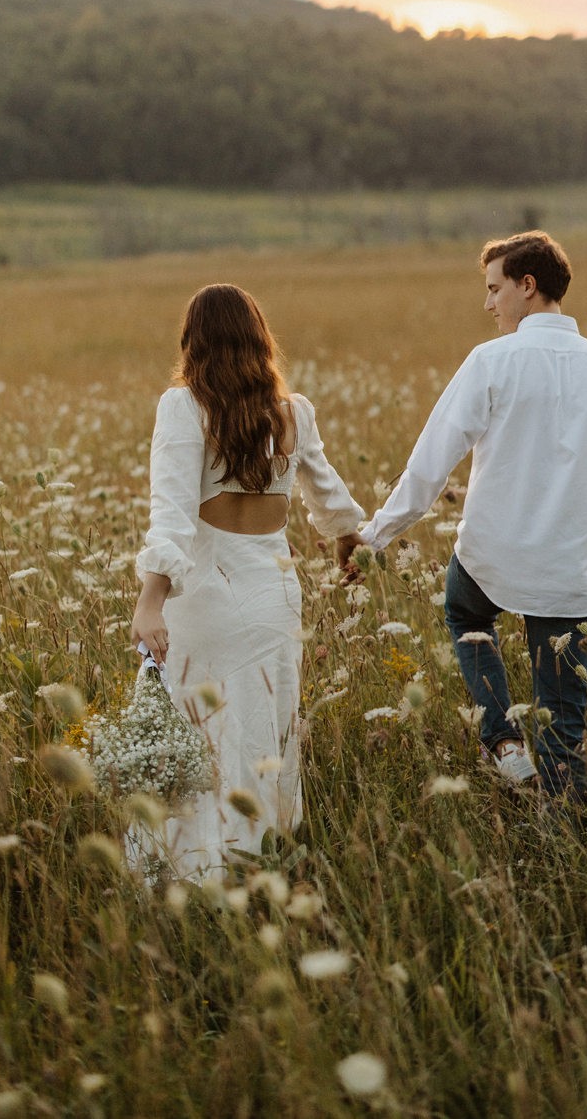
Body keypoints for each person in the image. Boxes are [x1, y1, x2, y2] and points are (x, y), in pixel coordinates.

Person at [350, 231, 587, 801]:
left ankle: (501, 740)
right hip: (567, 579)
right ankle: (562, 850)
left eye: (494, 289)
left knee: (462, 611)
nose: (488, 304)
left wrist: (374, 536)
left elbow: (431, 464)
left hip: (490, 562)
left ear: (528, 287)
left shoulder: (490, 361)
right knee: (564, 737)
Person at [131, 283, 363, 876]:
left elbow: (173, 515)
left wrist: (149, 602)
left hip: (205, 601)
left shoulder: (183, 407)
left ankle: (196, 870)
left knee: (201, 741)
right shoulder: (293, 413)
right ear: (261, 341)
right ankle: (260, 863)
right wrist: (347, 542)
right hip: (272, 598)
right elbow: (332, 499)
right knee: (264, 740)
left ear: (193, 343)